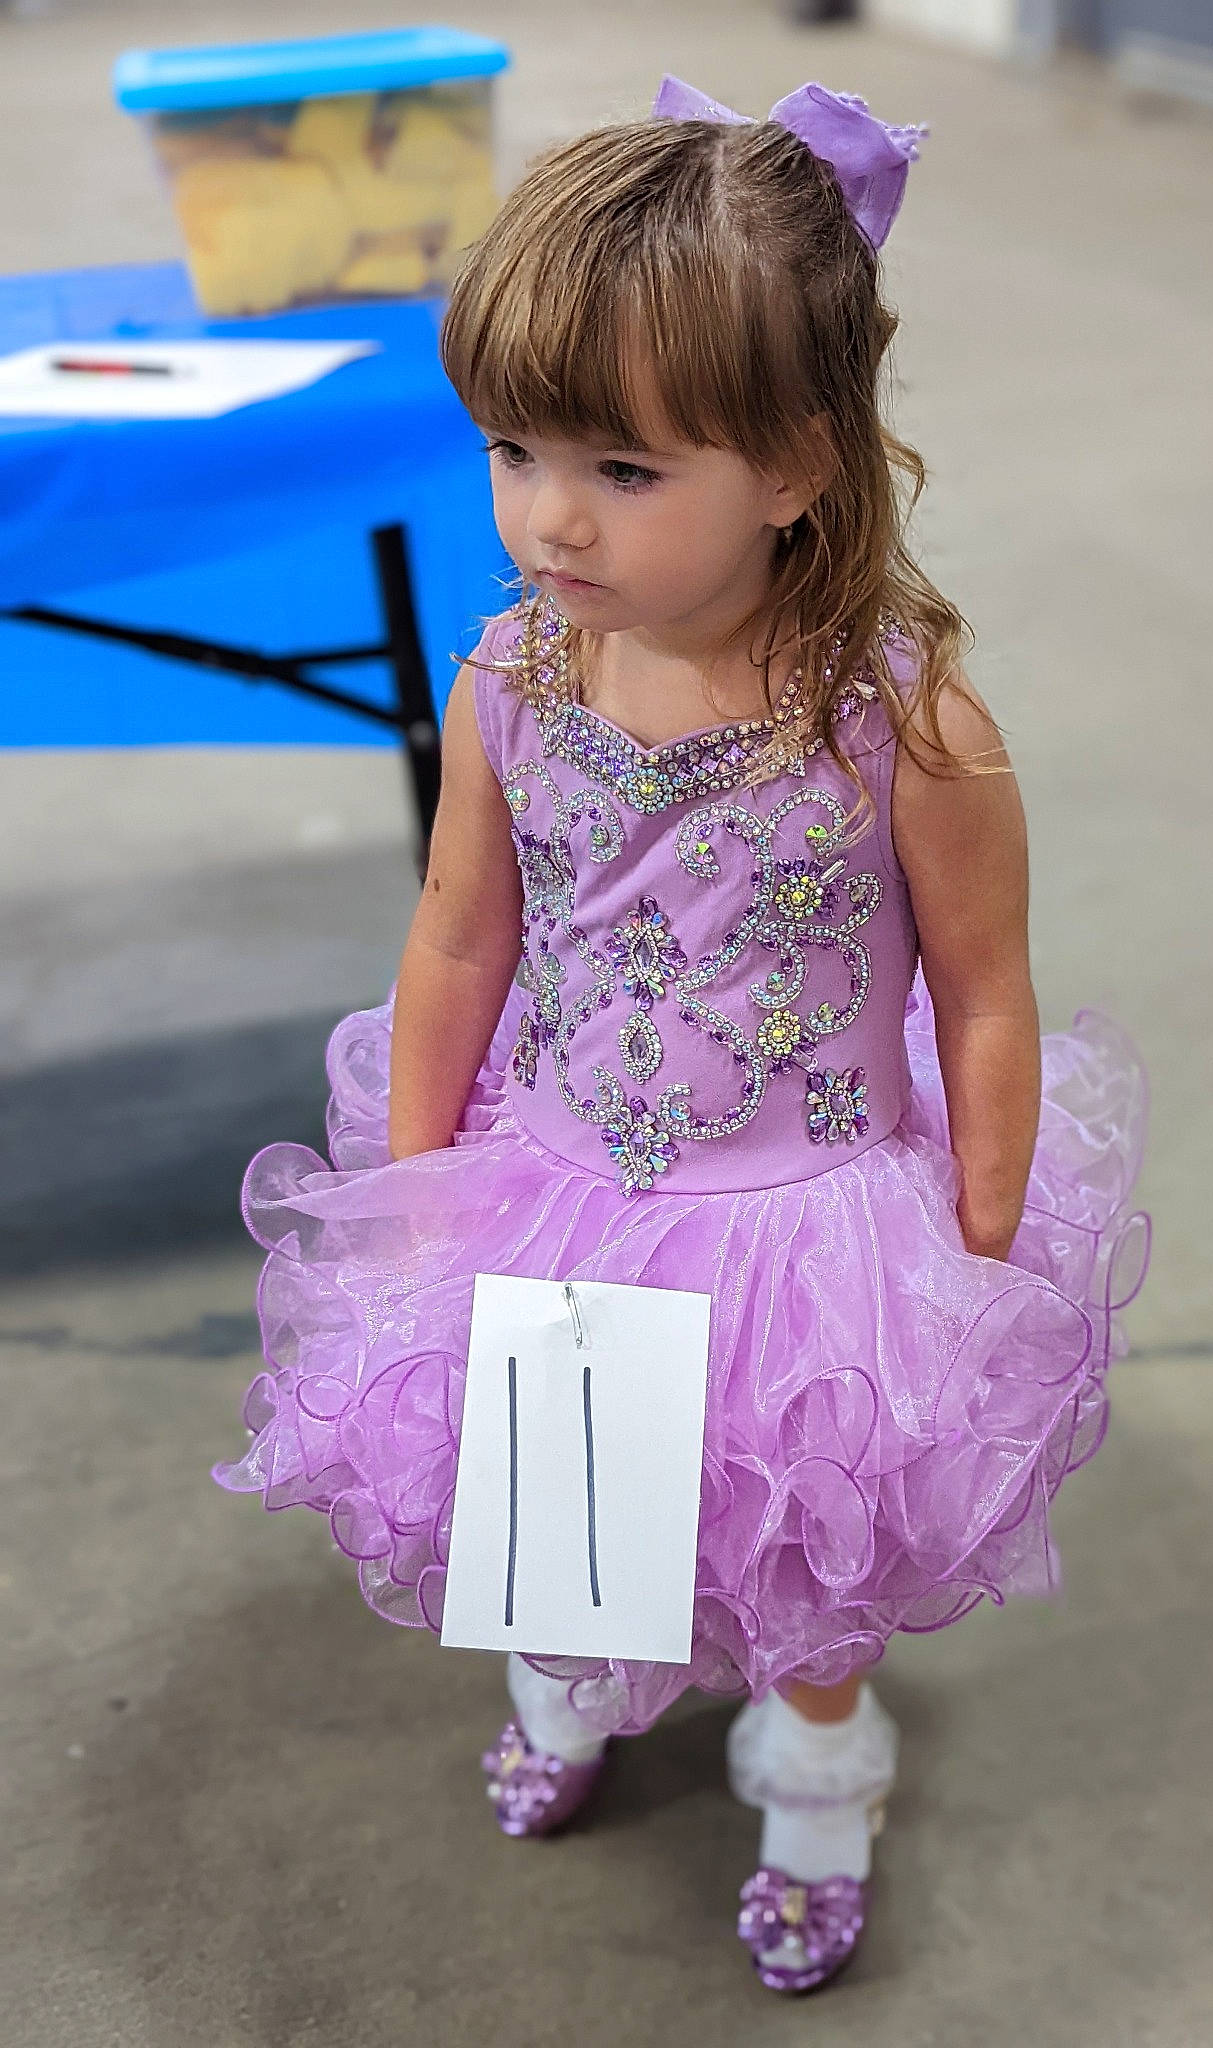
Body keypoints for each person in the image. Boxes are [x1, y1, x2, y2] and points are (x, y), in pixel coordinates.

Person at [215, 76, 1151, 1995]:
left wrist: (971, 1271)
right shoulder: (506, 677)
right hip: (558, 1181)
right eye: (514, 450)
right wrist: (411, 1184)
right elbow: (463, 932)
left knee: (808, 1544)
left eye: (624, 473)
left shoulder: (899, 719)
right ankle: (576, 1676)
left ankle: (817, 1776)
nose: (548, 520)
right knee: (569, 1497)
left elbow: (979, 991)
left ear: (799, 463)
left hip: (814, 1224)